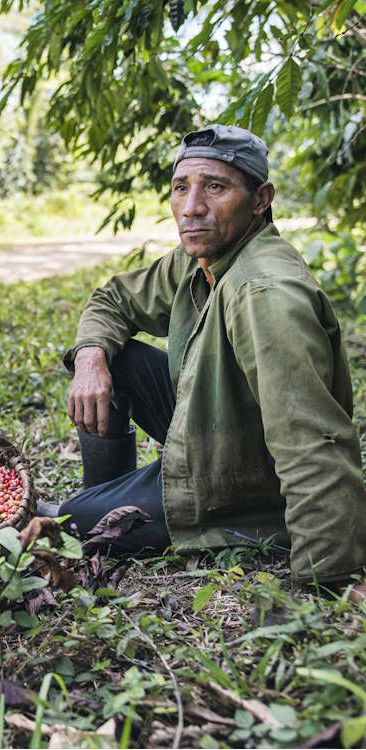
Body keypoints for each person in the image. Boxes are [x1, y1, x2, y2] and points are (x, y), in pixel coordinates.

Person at [35, 124, 366, 598]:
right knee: (113, 355)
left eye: (214, 187)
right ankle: (104, 493)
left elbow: (310, 436)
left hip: (243, 480)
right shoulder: (204, 254)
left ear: (260, 200)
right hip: (216, 425)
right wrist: (89, 359)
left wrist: (329, 574)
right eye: (181, 188)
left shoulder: (263, 293)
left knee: (60, 522)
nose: (191, 207)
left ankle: (105, 511)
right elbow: (114, 299)